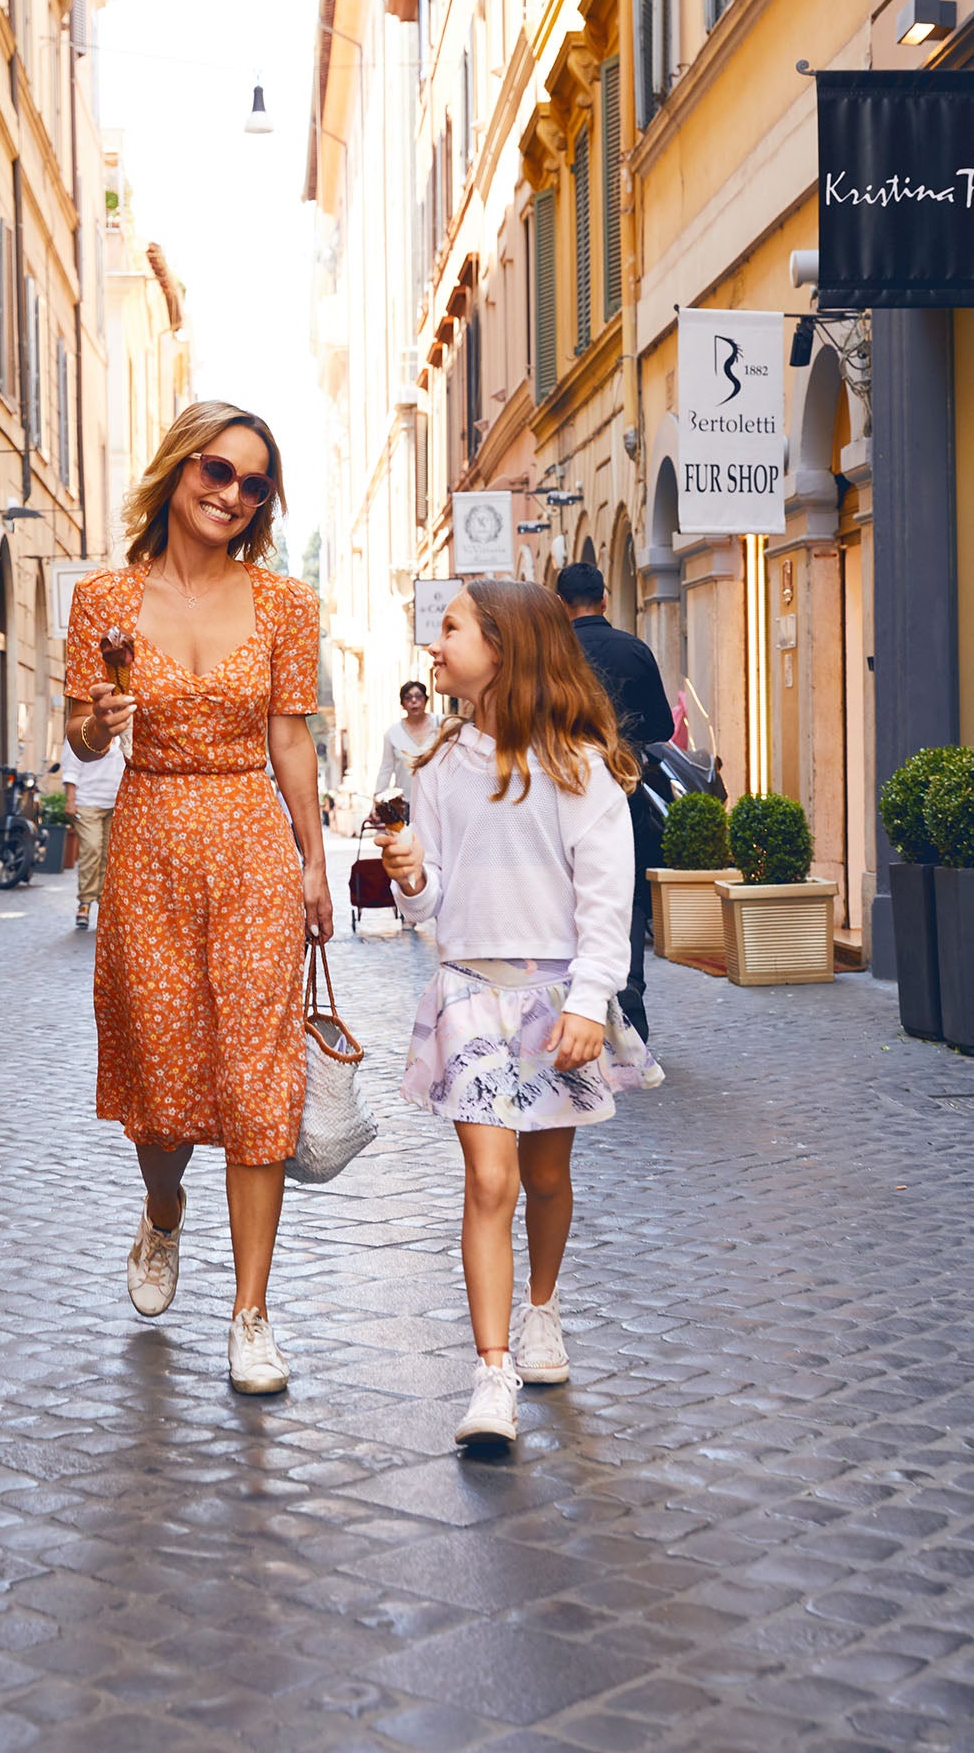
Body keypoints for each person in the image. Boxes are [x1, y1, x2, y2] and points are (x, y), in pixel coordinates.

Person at [63, 400, 331, 1397]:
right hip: (150, 841)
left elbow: (291, 739)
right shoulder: (103, 601)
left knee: (258, 1082)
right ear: (178, 471)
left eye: (254, 482)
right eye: (216, 471)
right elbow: (86, 742)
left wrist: (312, 861)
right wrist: (98, 720)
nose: (231, 493)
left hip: (252, 841)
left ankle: (251, 1313)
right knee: (163, 1090)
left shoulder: (285, 604)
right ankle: (163, 1206)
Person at [373, 580, 662, 1450]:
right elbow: (426, 910)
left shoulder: (578, 764)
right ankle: (490, 1374)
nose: (435, 645)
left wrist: (587, 1000)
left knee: (543, 1179)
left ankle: (542, 1310)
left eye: (451, 630)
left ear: (502, 645)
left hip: (553, 998)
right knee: (489, 1180)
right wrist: (410, 876)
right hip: (468, 992)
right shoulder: (437, 767)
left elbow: (606, 900)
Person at [555, 562, 674, 1044]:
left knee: (567, 891)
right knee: (622, 894)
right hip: (626, 787)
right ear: (604, 599)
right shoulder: (635, 649)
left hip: (561, 787)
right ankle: (629, 1002)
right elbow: (663, 727)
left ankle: (573, 1002)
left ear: (561, 605)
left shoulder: (553, 657)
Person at [59, 727, 124, 929]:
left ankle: (104, 904)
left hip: (116, 803)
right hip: (87, 802)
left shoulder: (125, 731)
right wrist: (70, 800)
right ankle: (85, 902)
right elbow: (71, 768)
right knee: (92, 849)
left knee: (110, 856)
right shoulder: (85, 728)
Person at [374, 681, 441, 798]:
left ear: (426, 699)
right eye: (408, 698)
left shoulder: (441, 724)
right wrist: (378, 797)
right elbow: (386, 768)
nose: (414, 701)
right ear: (403, 704)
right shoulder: (393, 734)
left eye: (418, 696)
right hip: (407, 802)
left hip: (439, 798)